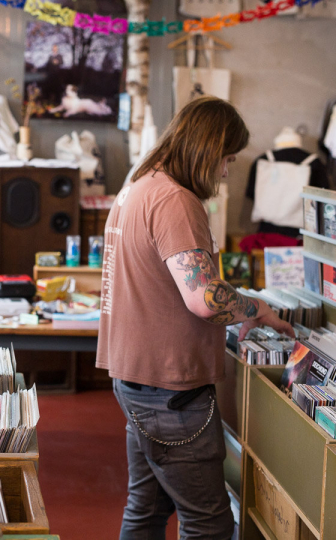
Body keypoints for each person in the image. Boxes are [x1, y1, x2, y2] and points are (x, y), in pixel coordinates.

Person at [96, 96, 294, 540]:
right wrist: (256, 307)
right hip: (169, 391)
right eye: (227, 159)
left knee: (147, 508)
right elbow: (205, 297)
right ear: (207, 150)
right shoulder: (175, 200)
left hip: (137, 378)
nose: (226, 172)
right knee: (209, 524)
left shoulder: (138, 186)